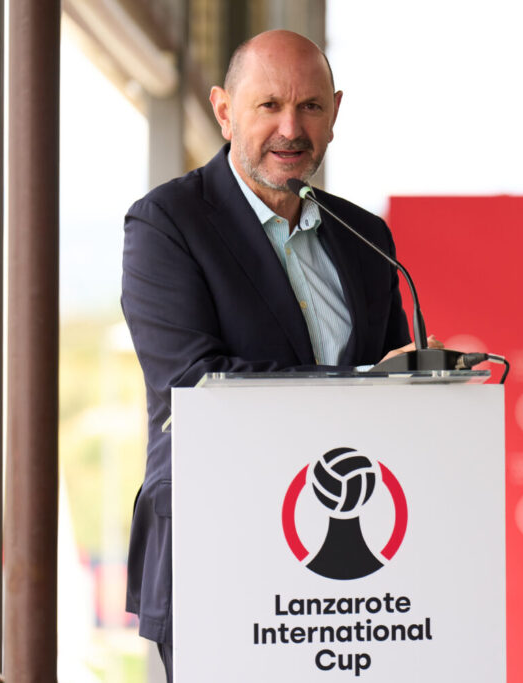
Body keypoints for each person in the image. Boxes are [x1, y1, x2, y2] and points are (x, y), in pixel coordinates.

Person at [120, 30, 439, 680]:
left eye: (311, 107)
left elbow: (387, 383)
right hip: (220, 541)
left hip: (351, 556)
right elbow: (197, 380)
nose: (290, 129)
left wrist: (427, 379)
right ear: (224, 110)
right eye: (269, 106)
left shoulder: (365, 238)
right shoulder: (166, 224)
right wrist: (361, 384)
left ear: (336, 112)